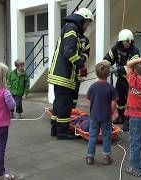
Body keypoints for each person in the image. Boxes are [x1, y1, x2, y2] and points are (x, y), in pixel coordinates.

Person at [47, 8, 93, 140]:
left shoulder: (73, 30)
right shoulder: (72, 28)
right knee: (65, 104)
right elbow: (69, 51)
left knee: (59, 102)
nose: (87, 26)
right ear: (83, 19)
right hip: (64, 74)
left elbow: (81, 52)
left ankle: (55, 128)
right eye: (87, 23)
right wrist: (81, 65)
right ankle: (62, 132)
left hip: (62, 74)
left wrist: (81, 61)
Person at [103, 29, 140, 131]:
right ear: (120, 41)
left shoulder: (135, 51)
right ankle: (121, 118)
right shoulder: (116, 48)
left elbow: (132, 67)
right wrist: (105, 66)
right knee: (119, 99)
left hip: (131, 80)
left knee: (130, 101)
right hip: (120, 79)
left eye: (129, 41)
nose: (128, 43)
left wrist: (117, 69)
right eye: (125, 41)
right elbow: (107, 58)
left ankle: (128, 121)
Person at [85, 62, 118, 165]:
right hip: (106, 116)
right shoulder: (110, 88)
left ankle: (90, 157)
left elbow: (88, 100)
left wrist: (92, 110)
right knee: (106, 136)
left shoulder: (93, 87)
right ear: (108, 74)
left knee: (93, 136)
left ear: (96, 73)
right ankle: (106, 157)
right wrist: (111, 113)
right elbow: (113, 103)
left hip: (94, 115)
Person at [73, 35, 90, 108]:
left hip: (78, 68)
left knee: (75, 90)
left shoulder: (85, 39)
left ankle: (73, 110)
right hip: (68, 69)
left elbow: (86, 53)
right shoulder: (71, 36)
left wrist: (81, 62)